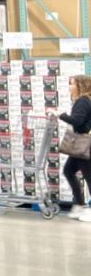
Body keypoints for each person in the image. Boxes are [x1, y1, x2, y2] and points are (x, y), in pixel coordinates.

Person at [58, 75, 91, 220]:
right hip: (80, 145)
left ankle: (83, 206)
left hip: (84, 145)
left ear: (80, 86)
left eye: (72, 84)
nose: (70, 87)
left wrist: (60, 114)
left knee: (89, 177)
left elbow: (77, 121)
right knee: (68, 170)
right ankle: (79, 204)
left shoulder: (83, 101)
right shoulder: (82, 101)